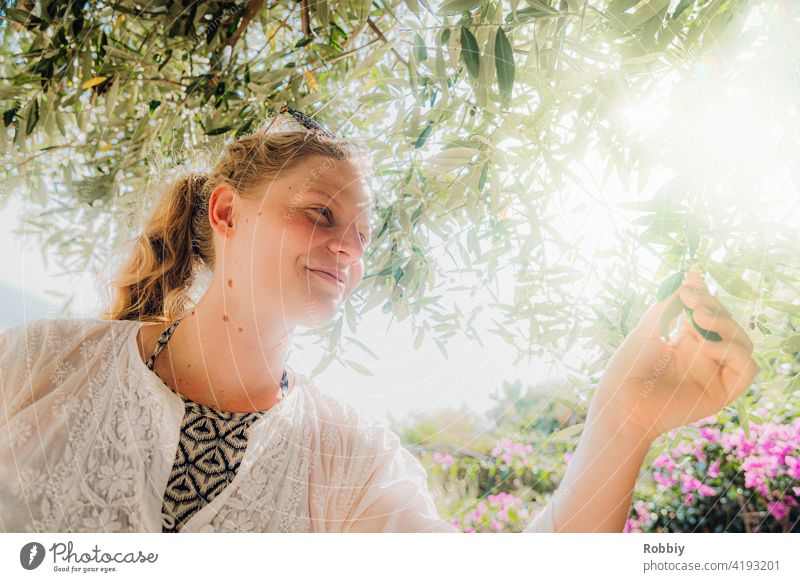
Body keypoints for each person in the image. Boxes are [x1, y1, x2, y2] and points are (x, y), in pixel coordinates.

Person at [0, 107, 759, 533]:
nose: (346, 251)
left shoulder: (350, 460)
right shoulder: (36, 366)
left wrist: (622, 420)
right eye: (322, 214)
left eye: (363, 237)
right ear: (227, 211)